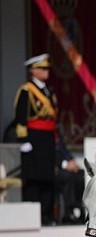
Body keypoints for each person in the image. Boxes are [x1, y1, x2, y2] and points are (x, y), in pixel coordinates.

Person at [13, 53, 59, 226]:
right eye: (43, 68)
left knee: (48, 178)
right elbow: (20, 116)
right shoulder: (27, 90)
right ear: (34, 71)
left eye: (47, 68)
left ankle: (47, 216)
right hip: (33, 139)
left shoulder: (49, 90)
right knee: (34, 178)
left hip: (47, 138)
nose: (47, 71)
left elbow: (53, 118)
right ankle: (32, 217)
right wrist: (23, 140)